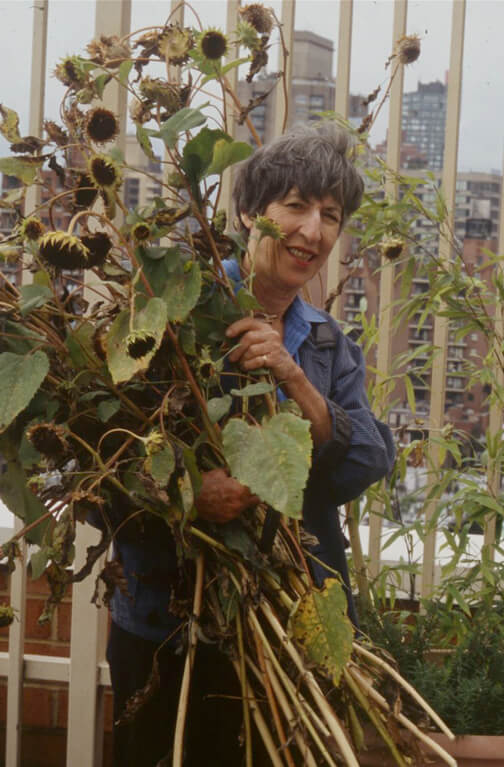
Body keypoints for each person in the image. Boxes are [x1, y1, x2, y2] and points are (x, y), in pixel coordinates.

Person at [105, 123, 395, 766]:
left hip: (289, 624)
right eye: (294, 206)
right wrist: (186, 494)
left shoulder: (325, 344)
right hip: (168, 622)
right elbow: (99, 465)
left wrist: (297, 384)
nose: (312, 233)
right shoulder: (174, 314)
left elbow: (370, 459)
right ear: (246, 213)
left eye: (330, 215)